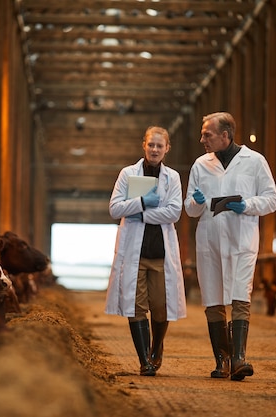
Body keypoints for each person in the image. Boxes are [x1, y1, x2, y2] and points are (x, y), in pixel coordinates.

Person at [184, 112, 276, 381]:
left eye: (207, 134)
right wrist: (197, 202)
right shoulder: (200, 165)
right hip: (210, 241)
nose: (202, 139)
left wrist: (248, 205)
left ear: (225, 135)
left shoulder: (255, 161)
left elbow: (272, 200)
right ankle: (222, 361)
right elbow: (189, 209)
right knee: (213, 299)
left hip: (242, 240)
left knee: (240, 296)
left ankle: (239, 359)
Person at [105, 126, 187, 376]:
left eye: (159, 146)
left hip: (161, 254)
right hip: (134, 253)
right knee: (136, 305)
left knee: (161, 307)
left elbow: (174, 212)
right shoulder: (128, 174)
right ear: (144, 145)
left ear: (166, 149)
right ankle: (145, 361)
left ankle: (156, 347)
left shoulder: (172, 177)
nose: (154, 149)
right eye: (151, 144)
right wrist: (140, 202)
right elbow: (114, 209)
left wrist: (139, 213)